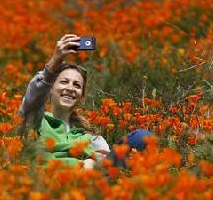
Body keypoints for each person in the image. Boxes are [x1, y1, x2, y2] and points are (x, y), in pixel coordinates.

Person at [18, 33, 154, 170]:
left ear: (81, 96)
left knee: (142, 137)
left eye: (76, 85)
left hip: (91, 181)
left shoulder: (89, 136)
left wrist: (93, 162)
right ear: (50, 89)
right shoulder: (36, 122)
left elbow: (106, 161)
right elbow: (32, 101)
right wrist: (54, 63)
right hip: (51, 180)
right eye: (64, 82)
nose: (70, 88)